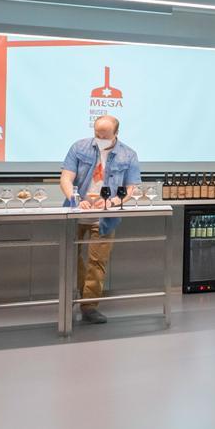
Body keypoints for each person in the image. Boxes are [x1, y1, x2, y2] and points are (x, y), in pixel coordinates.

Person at [59, 114, 141, 325]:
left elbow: (131, 188)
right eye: (97, 134)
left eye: (105, 135)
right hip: (76, 212)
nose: (100, 138)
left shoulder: (128, 155)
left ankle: (89, 306)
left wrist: (113, 202)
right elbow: (66, 178)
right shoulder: (79, 148)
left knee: (97, 262)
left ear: (116, 134)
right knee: (72, 257)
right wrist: (75, 198)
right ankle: (78, 295)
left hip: (105, 217)